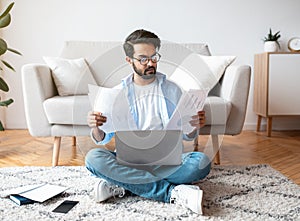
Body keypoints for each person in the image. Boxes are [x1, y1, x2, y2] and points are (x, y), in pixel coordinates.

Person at [85, 29, 211, 215]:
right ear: (129, 60)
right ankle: (172, 192)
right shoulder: (115, 94)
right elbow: (103, 138)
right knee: (93, 159)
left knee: (201, 162)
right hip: (127, 160)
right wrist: (95, 126)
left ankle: (124, 184)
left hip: (166, 162)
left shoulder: (174, 90)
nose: (150, 63)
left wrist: (194, 126)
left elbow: (187, 135)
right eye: (143, 59)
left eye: (154, 57)